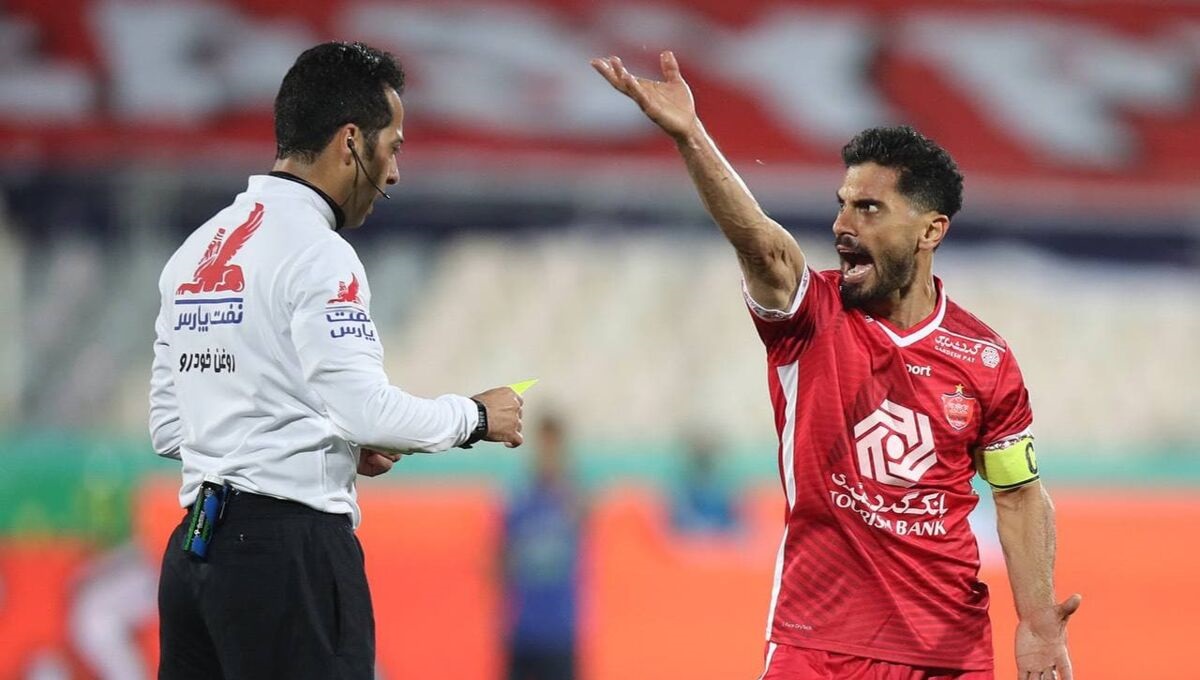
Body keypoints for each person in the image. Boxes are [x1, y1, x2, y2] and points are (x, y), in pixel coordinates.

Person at [591, 52, 1080, 680]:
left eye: (868, 208)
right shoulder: (811, 315)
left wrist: (1038, 622)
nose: (841, 224)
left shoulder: (985, 359)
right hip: (817, 647)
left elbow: (1016, 493)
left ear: (930, 231)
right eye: (842, 203)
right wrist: (691, 136)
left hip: (947, 655)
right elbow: (762, 246)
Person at [148, 41, 524, 679]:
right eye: (393, 147)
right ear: (352, 141)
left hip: (193, 557)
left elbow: (169, 427)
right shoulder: (319, 253)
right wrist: (476, 417)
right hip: (288, 558)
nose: (395, 172)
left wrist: (323, 440)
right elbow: (365, 412)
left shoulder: (193, 252)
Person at [503, 415, 583, 680]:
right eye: (543, 446)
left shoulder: (576, 503)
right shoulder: (519, 503)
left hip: (560, 632)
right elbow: (502, 564)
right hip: (522, 631)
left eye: (553, 446)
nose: (547, 455)